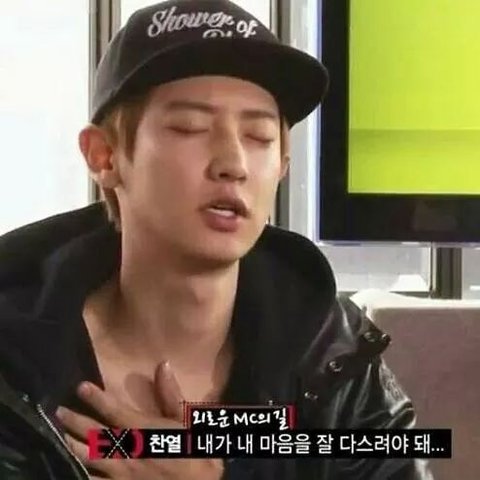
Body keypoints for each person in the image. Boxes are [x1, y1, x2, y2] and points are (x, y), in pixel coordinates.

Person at [0, 0, 433, 478]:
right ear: (104, 156)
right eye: (190, 127)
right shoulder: (16, 367)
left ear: (282, 166)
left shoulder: (332, 357)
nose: (233, 163)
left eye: (259, 136)